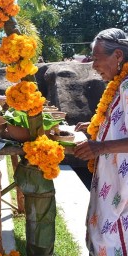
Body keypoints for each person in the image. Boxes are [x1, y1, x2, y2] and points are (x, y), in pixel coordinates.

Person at [74, 28, 128, 255]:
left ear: (117, 56)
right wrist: (98, 127)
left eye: (97, 59)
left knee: (112, 236)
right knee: (101, 233)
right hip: (110, 178)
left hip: (122, 185)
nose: (93, 65)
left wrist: (100, 146)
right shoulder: (120, 84)